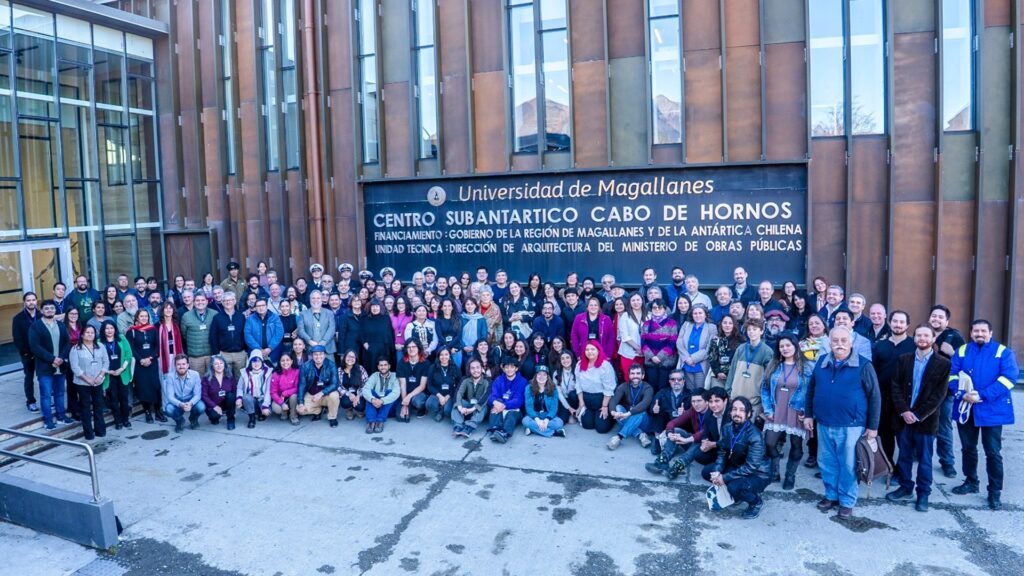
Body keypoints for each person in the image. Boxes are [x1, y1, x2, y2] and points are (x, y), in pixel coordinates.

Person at [803, 326, 881, 518]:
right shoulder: (822, 362)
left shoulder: (864, 365)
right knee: (826, 462)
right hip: (824, 423)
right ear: (829, 343)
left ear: (851, 342)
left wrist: (872, 427)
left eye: (843, 340)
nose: (839, 344)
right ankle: (831, 495)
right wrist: (808, 415)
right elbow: (811, 390)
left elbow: (875, 397)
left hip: (851, 425)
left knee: (848, 465)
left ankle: (846, 500)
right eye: (835, 340)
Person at [947, 319, 1018, 510]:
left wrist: (982, 395)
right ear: (971, 333)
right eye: (976, 331)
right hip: (967, 407)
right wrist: (962, 394)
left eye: (983, 331)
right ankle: (971, 482)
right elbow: (951, 374)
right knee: (968, 449)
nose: (980, 334)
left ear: (991, 333)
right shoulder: (962, 351)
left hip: (992, 410)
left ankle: (994, 492)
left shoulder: (1003, 352)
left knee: (993, 452)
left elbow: (1009, 378)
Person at [885, 324, 951, 512]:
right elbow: (895, 386)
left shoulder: (943, 363)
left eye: (926, 335)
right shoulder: (903, 360)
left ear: (933, 339)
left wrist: (918, 415)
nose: (922, 338)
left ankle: (923, 494)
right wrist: (904, 411)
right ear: (914, 338)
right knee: (904, 456)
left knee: (925, 459)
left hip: (926, 421)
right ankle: (906, 487)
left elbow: (939, 395)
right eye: (919, 335)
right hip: (903, 418)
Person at [705, 396, 771, 519]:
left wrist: (724, 477)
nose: (737, 413)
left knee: (734, 486)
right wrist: (718, 471)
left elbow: (751, 467)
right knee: (708, 472)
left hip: (758, 473)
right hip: (737, 465)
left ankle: (756, 502)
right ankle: (737, 494)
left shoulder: (755, 435)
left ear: (749, 414)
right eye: (734, 409)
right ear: (730, 412)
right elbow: (722, 452)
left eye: (741, 410)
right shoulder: (727, 428)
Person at [761, 334, 812, 490]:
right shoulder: (773, 364)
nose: (785, 348)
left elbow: (812, 392)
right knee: (769, 442)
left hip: (797, 411)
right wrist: (768, 409)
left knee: (796, 445)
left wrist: (808, 412)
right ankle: (775, 471)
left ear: (795, 346)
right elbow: (764, 388)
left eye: (788, 345)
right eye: (782, 346)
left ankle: (790, 475)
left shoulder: (807, 366)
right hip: (776, 409)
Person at [871, 310, 914, 465]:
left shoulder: (913, 345)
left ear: (907, 325)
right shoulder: (880, 345)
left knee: (904, 438)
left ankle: (902, 471)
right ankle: (888, 466)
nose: (898, 324)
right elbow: (874, 371)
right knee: (885, 435)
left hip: (904, 399)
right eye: (895, 321)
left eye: (902, 322)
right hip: (883, 397)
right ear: (889, 322)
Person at [930, 304, 964, 479]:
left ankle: (947, 463)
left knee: (943, 427)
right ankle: (917, 455)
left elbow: (965, 363)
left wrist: (953, 353)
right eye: (934, 316)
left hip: (945, 392)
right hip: (925, 391)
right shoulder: (924, 334)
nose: (936, 319)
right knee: (921, 425)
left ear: (947, 321)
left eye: (940, 317)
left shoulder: (955, 337)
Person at [646, 389, 712, 479]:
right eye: (693, 401)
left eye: (699, 401)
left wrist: (687, 440)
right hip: (694, 442)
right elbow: (673, 423)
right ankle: (662, 461)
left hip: (707, 450)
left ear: (707, 402)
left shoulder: (712, 413)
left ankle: (677, 467)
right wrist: (669, 433)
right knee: (676, 430)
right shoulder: (693, 410)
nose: (696, 404)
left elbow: (705, 433)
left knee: (702, 441)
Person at [725, 319, 773, 420]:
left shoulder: (767, 352)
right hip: (736, 398)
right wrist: (729, 391)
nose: (751, 332)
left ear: (761, 331)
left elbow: (769, 378)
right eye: (749, 329)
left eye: (754, 329)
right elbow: (732, 371)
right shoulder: (741, 348)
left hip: (753, 401)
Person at [68, 325, 109, 440]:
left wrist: (101, 376)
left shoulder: (100, 346)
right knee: (85, 407)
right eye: (87, 332)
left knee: (98, 406)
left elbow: (106, 362)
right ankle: (89, 433)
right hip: (83, 383)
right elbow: (75, 367)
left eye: (92, 332)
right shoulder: (76, 349)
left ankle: (100, 430)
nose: (90, 334)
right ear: (82, 335)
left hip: (98, 381)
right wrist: (87, 379)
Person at [127, 309, 165, 423]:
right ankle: (147, 412)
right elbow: (131, 349)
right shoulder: (131, 331)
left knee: (156, 386)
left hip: (152, 362)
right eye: (141, 316)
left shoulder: (153, 329)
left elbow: (157, 346)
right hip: (139, 364)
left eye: (146, 316)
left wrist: (150, 358)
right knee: (143, 388)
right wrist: (141, 360)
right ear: (137, 318)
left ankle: (158, 411)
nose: (144, 318)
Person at [607, 364, 655, 450]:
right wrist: (613, 412)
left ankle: (619, 437)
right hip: (628, 416)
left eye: (638, 373)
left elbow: (644, 404)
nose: (635, 376)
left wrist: (628, 414)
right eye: (632, 373)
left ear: (643, 376)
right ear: (629, 375)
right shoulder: (624, 386)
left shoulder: (648, 388)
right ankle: (640, 435)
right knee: (618, 408)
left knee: (641, 411)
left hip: (644, 422)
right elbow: (614, 400)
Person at [574, 340, 616, 434]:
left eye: (593, 349)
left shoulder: (605, 366)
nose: (589, 352)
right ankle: (593, 415)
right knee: (587, 425)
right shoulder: (579, 365)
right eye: (587, 349)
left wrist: (605, 406)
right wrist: (581, 403)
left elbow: (609, 388)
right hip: (587, 400)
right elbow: (578, 385)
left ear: (598, 351)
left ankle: (611, 418)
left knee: (601, 428)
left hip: (601, 400)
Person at [675, 304, 717, 392]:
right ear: (692, 315)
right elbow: (679, 342)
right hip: (686, 365)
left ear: (705, 314)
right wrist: (687, 359)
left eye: (700, 313)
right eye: (695, 313)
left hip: (700, 366)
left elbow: (709, 347)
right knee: (689, 392)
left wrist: (693, 359)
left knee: (700, 392)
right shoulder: (686, 325)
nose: (698, 315)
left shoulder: (711, 327)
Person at [297, 345, 341, 427]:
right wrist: (300, 403)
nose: (318, 356)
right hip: (311, 395)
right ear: (312, 356)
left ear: (324, 355)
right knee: (300, 410)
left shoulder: (331, 365)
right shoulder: (305, 366)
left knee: (335, 395)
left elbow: (335, 384)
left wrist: (321, 393)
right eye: (315, 354)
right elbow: (301, 385)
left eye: (320, 354)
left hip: (326, 394)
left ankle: (332, 417)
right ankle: (318, 411)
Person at [100, 321, 133, 430]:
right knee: (113, 399)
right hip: (109, 375)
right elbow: (97, 359)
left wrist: (122, 368)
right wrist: (108, 371)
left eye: (111, 328)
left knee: (124, 398)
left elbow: (129, 355)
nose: (109, 331)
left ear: (115, 329)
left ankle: (126, 419)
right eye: (107, 328)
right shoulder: (99, 342)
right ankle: (118, 421)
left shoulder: (122, 338)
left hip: (122, 373)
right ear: (103, 330)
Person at [486, 357, 528, 444]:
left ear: (516, 368)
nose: (509, 369)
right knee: (494, 410)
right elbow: (492, 396)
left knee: (511, 415)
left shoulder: (522, 381)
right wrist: (496, 403)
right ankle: (495, 431)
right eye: (507, 367)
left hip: (514, 409)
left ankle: (505, 433)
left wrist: (504, 405)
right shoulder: (498, 380)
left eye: (512, 367)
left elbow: (518, 400)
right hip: (499, 406)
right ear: (503, 368)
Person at [641, 299, 679, 392]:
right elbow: (643, 343)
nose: (657, 309)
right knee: (651, 387)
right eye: (654, 307)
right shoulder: (646, 324)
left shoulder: (672, 323)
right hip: (650, 361)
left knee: (663, 388)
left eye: (660, 307)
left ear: (665, 309)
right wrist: (652, 357)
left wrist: (659, 357)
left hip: (666, 361)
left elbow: (672, 342)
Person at [162, 354, 205, 433]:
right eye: (178, 364)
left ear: (188, 365)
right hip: (178, 400)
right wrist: (180, 404)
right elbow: (170, 396)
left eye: (183, 364)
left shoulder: (195, 375)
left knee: (201, 406)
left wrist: (190, 403)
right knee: (168, 408)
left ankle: (193, 419)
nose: (181, 366)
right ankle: (180, 421)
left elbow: (197, 395)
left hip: (191, 399)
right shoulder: (170, 376)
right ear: (175, 366)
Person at [13, 292, 40, 412]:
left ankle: (48, 400)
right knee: (29, 378)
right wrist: (26, 353)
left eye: (33, 300)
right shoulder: (18, 318)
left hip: (42, 353)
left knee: (45, 378)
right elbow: (17, 339)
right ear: (24, 302)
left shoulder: (41, 315)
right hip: (27, 355)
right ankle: (31, 401)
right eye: (28, 300)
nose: (31, 302)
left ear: (36, 301)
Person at [180, 293, 218, 375]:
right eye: (197, 300)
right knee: (197, 381)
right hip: (195, 357)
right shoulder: (186, 316)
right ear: (193, 302)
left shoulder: (215, 314)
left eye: (202, 300)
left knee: (212, 380)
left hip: (211, 355)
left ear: (207, 302)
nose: (200, 302)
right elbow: (184, 334)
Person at [522, 365, 565, 438]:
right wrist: (537, 420)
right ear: (535, 376)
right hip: (534, 415)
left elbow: (554, 407)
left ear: (547, 377)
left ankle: (533, 429)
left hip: (547, 414)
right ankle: (554, 432)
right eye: (539, 374)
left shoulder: (553, 388)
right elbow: (528, 407)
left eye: (544, 374)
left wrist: (547, 419)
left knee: (559, 423)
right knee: (525, 421)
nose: (541, 377)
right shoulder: (529, 388)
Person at [362, 357, 400, 434]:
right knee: (371, 392)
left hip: (389, 407)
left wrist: (382, 401)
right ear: (378, 367)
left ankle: (380, 421)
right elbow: (366, 389)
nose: (383, 367)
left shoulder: (395, 376)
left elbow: (396, 392)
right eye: (381, 365)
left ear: (389, 366)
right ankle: (371, 422)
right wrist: (372, 399)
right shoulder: (374, 375)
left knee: (390, 392)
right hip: (375, 404)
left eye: (385, 365)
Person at [237, 349, 272, 428]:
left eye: (258, 361)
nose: (256, 363)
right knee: (246, 397)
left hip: (263, 399)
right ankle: (252, 417)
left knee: (268, 411)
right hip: (252, 399)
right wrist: (239, 398)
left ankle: (261, 412)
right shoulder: (245, 372)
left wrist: (265, 405)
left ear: (262, 362)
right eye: (254, 361)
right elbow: (239, 388)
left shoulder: (268, 372)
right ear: (250, 362)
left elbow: (268, 391)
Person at [396, 340, 430, 421]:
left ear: (418, 348)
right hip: (406, 392)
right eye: (409, 347)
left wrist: (408, 397)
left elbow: (422, 386)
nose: (411, 349)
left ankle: (422, 408)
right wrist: (404, 403)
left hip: (419, 392)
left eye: (414, 346)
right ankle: (408, 405)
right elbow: (402, 384)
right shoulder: (401, 362)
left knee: (417, 402)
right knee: (400, 417)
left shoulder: (425, 363)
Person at [201, 355, 238, 429]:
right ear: (212, 366)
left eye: (221, 363)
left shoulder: (230, 376)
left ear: (224, 364)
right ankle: (215, 416)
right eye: (216, 364)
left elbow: (234, 391)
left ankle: (230, 418)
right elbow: (204, 395)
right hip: (213, 404)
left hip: (226, 403)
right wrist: (214, 406)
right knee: (214, 418)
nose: (219, 366)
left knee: (231, 396)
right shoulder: (206, 378)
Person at [298, 290, 337, 358]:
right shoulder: (303, 314)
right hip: (310, 350)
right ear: (310, 300)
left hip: (327, 349)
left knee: (329, 368)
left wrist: (323, 342)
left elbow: (331, 329)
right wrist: (310, 341)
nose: (315, 300)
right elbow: (301, 330)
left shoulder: (329, 313)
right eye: (313, 298)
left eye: (318, 298)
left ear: (321, 299)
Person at [244, 298, 284, 363]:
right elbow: (247, 335)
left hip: (273, 351)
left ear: (267, 306)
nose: (261, 308)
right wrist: (258, 349)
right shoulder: (250, 319)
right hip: (256, 351)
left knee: (274, 371)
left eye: (263, 305)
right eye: (258, 306)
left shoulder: (275, 317)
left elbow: (279, 333)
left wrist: (270, 348)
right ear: (255, 308)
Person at [707, 316, 741, 390]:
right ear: (721, 324)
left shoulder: (740, 341)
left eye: (730, 323)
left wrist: (729, 373)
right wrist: (718, 372)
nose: (727, 325)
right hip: (718, 376)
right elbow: (711, 358)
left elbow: (740, 361)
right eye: (724, 323)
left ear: (734, 325)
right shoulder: (716, 339)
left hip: (734, 376)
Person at [359, 300, 394, 371]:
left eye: (377, 306)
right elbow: (361, 332)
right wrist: (364, 343)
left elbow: (390, 333)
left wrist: (391, 348)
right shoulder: (365, 319)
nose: (375, 308)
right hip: (370, 349)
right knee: (370, 369)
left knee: (383, 369)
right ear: (370, 308)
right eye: (373, 307)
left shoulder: (386, 318)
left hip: (383, 349)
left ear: (380, 307)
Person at [616, 293, 645, 378]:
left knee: (641, 378)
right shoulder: (625, 316)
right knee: (629, 377)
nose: (636, 302)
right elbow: (625, 336)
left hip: (645, 354)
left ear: (642, 301)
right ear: (630, 302)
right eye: (633, 300)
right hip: (628, 353)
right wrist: (638, 348)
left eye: (638, 300)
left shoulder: (648, 315)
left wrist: (644, 350)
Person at [426, 348, 459, 422]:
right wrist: (440, 396)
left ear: (450, 356)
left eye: (446, 354)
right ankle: (440, 408)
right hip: (437, 394)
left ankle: (441, 411)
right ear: (438, 356)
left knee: (448, 411)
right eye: (441, 355)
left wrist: (448, 396)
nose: (444, 357)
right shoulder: (432, 367)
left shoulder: (455, 368)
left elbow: (458, 386)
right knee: (430, 404)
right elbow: (429, 385)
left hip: (450, 394)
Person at [270, 351, 301, 425]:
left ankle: (293, 416)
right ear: (279, 362)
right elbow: (273, 392)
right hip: (280, 398)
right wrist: (281, 403)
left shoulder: (297, 371)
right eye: (282, 360)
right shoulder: (275, 374)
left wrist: (285, 393)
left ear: (292, 361)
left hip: (292, 397)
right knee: (276, 409)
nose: (285, 362)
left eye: (287, 360)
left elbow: (298, 387)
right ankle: (284, 412)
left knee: (294, 396)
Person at [338, 349, 368, 420]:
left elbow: (367, 383)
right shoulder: (339, 370)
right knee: (345, 402)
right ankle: (349, 410)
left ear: (356, 359)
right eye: (348, 356)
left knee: (360, 406)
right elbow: (338, 385)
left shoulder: (360, 368)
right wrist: (349, 394)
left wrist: (358, 396)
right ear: (344, 357)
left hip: (359, 392)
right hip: (346, 392)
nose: (350, 359)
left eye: (353, 357)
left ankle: (359, 411)